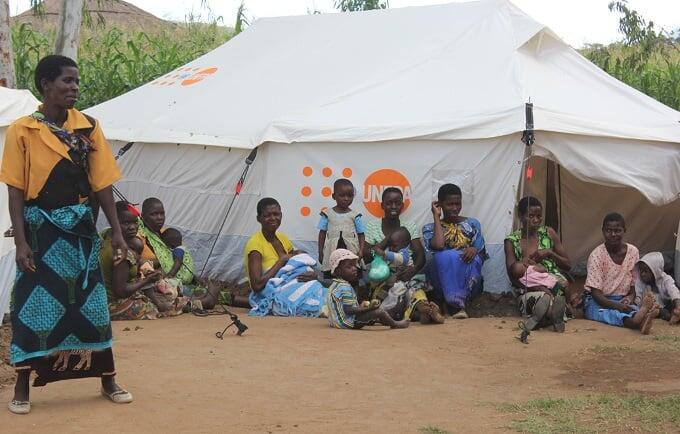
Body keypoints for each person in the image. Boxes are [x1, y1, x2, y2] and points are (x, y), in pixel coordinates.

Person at [0, 55, 131, 414]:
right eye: (66, 82)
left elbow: (103, 185)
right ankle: (23, 386)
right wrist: (22, 241)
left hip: (81, 235)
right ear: (46, 84)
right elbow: (14, 189)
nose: (74, 88)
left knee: (93, 308)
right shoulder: (23, 130)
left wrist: (116, 233)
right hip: (41, 234)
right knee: (33, 308)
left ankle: (108, 378)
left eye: (76, 82)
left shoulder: (88, 127)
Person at [101, 201, 211, 320]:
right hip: (113, 305)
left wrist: (147, 274)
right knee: (156, 307)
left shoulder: (107, 237)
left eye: (135, 222)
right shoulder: (122, 254)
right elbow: (121, 292)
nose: (132, 227)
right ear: (114, 223)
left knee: (159, 295)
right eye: (126, 223)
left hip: (111, 299)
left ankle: (195, 301)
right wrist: (147, 280)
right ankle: (196, 303)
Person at [363, 187, 441, 324]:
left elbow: (420, 254)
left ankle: (425, 308)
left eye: (397, 203)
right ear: (382, 205)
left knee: (414, 290)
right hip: (383, 280)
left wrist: (413, 270)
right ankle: (420, 314)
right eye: (389, 203)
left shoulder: (408, 226)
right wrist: (388, 240)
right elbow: (366, 255)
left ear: (402, 205)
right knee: (390, 302)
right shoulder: (372, 226)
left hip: (407, 275)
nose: (393, 206)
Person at [245, 197, 325, 316]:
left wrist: (311, 274)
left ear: (281, 215)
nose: (273, 218)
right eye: (267, 215)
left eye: (276, 214)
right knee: (314, 302)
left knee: (323, 291)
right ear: (259, 219)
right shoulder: (255, 245)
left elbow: (296, 264)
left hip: (290, 286)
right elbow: (257, 286)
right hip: (269, 294)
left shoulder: (282, 239)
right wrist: (280, 262)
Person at [504, 196, 570, 336]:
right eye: (531, 216)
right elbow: (513, 276)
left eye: (539, 216)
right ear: (520, 216)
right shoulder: (512, 241)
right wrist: (537, 287)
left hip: (555, 284)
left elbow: (568, 265)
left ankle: (545, 317)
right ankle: (553, 316)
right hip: (528, 288)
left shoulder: (549, 233)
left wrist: (550, 253)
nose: (536, 220)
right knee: (540, 299)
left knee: (558, 295)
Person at [583, 213, 658, 333]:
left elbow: (634, 283)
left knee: (631, 309)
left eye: (617, 231)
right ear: (603, 231)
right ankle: (635, 322)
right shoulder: (596, 255)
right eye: (608, 231)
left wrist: (630, 297)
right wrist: (617, 306)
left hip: (622, 299)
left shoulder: (633, 252)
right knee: (609, 314)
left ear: (624, 230)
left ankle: (640, 318)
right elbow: (596, 293)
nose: (613, 235)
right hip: (599, 300)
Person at [423, 184, 486, 319]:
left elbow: (481, 256)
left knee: (474, 259)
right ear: (439, 204)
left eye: (457, 204)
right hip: (440, 282)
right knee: (443, 256)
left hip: (468, 280)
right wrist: (436, 216)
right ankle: (455, 306)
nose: (454, 208)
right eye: (449, 204)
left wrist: (474, 249)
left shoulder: (473, 224)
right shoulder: (429, 229)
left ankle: (452, 305)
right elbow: (439, 246)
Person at [326, 249, 409, 329]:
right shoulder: (344, 287)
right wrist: (369, 308)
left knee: (371, 315)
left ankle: (380, 319)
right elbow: (349, 310)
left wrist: (362, 307)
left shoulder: (335, 285)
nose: (354, 268)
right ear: (338, 271)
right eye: (349, 266)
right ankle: (395, 324)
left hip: (336, 322)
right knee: (379, 311)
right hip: (347, 322)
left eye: (354, 265)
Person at [318, 178, 365, 279]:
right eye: (342, 195)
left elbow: (361, 234)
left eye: (349, 195)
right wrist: (320, 252)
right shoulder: (327, 214)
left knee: (353, 275)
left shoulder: (356, 215)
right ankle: (333, 294)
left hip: (351, 250)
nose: (346, 198)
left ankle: (353, 293)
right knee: (332, 275)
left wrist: (361, 251)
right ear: (334, 196)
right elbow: (322, 233)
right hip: (332, 251)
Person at [634, 252, 680, 324]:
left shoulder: (665, 279)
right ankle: (665, 315)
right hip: (648, 307)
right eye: (641, 271)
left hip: (666, 305)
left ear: (655, 271)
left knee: (674, 304)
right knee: (663, 313)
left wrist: (678, 307)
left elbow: (673, 291)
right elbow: (637, 298)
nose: (642, 274)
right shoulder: (640, 282)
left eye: (646, 271)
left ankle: (675, 314)